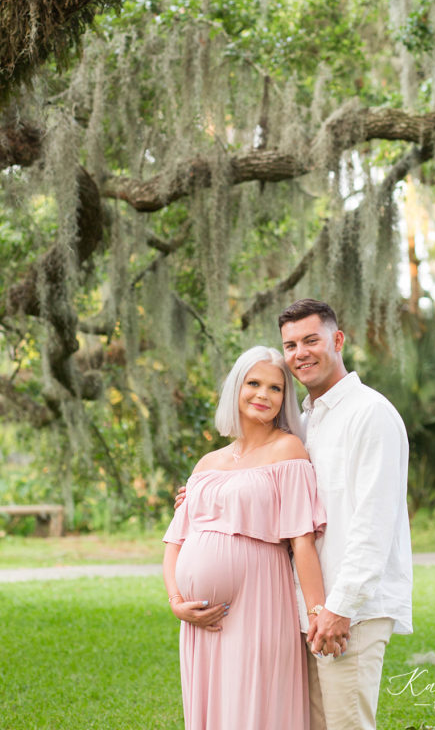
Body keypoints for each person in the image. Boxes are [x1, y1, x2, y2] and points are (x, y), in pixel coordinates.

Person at [163, 345, 329, 730]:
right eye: (253, 383)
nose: (263, 395)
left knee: (255, 707)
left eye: (275, 388)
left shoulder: (288, 450)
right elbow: (175, 543)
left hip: (260, 601)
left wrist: (317, 613)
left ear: (285, 398)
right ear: (235, 388)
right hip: (199, 621)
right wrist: (176, 603)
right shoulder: (208, 463)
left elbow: (302, 541)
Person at [278, 299, 412, 730]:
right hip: (311, 609)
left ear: (337, 340)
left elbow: (374, 523)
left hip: (352, 611)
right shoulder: (305, 420)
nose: (300, 353)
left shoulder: (369, 414)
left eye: (311, 340)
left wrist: (340, 608)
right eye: (291, 345)